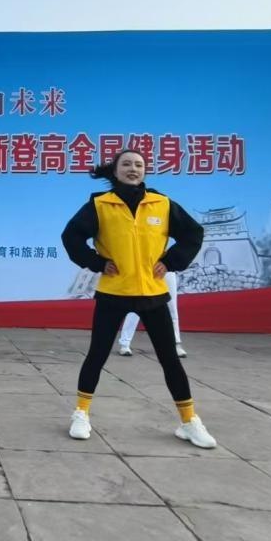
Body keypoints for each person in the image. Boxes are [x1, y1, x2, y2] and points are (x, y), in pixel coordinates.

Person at [61, 150, 216, 448]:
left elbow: (193, 234)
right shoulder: (100, 205)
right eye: (126, 164)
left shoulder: (162, 203)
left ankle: (189, 422)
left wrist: (171, 261)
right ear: (115, 171)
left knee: (170, 359)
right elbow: (71, 237)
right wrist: (96, 262)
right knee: (97, 355)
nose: (133, 169)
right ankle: (81, 413)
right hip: (113, 292)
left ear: (145, 171)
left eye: (139, 165)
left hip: (152, 294)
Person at [117, 272, 186, 357]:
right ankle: (125, 344)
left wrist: (168, 265)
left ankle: (176, 343)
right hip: (143, 270)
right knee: (136, 304)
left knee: (171, 307)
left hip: (165, 270)